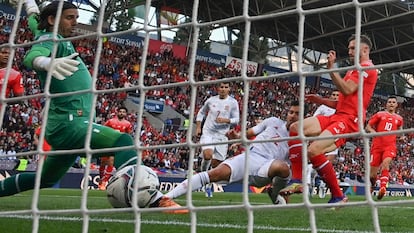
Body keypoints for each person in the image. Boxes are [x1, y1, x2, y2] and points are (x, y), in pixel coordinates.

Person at [2, 0, 186, 214]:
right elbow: (31, 56)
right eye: (70, 18)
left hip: (65, 125)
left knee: (45, 179)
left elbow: (35, 22)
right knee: (123, 141)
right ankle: (154, 199)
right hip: (70, 124)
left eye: (77, 18)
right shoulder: (51, 38)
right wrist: (46, 62)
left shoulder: (52, 34)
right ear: (53, 19)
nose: (75, 22)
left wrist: (29, 4)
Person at [290, 34, 378, 204]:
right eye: (349, 48)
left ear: (365, 49)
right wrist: (321, 100)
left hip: (349, 121)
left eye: (353, 47)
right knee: (295, 127)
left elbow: (346, 89)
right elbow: (343, 101)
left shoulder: (367, 68)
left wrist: (332, 68)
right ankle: (297, 180)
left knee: (313, 150)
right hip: (338, 116)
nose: (349, 51)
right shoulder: (354, 69)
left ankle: (337, 195)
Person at [165, 101, 301, 205]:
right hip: (250, 157)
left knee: (282, 167)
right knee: (214, 174)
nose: (293, 116)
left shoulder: (302, 139)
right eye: (291, 112)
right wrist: (237, 136)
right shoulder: (273, 122)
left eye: (297, 114)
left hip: (267, 168)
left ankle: (275, 192)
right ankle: (165, 199)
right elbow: (249, 133)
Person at [196, 81, 240, 197]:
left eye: (226, 87)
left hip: (222, 136)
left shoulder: (233, 102)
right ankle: (202, 177)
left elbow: (236, 120)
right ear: (217, 88)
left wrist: (226, 120)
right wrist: (198, 127)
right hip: (208, 132)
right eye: (221, 87)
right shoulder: (211, 100)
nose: (223, 89)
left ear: (229, 89)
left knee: (216, 165)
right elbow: (201, 113)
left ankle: (208, 183)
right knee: (207, 155)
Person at [366, 96, 403, 200]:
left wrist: (401, 136)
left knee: (386, 163)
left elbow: (400, 131)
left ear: (396, 105)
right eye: (389, 102)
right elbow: (368, 126)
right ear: (386, 104)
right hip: (377, 146)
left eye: (393, 102)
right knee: (372, 175)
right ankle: (373, 185)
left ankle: (383, 188)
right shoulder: (379, 114)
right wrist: (374, 132)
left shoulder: (399, 119)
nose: (391, 104)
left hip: (390, 146)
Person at [98, 106, 133, 190]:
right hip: (107, 144)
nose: (121, 113)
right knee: (103, 163)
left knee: (111, 161)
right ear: (117, 112)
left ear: (125, 114)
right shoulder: (110, 121)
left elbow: (127, 135)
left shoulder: (127, 124)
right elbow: (104, 130)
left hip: (117, 146)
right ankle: (101, 178)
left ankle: (104, 182)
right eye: (120, 111)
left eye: (123, 112)